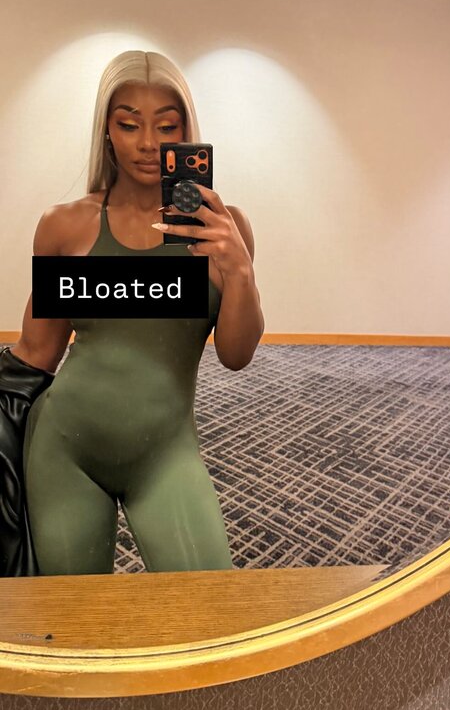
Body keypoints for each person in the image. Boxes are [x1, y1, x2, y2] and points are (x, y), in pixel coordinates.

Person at [11, 50, 264, 575]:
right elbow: (37, 351)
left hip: (165, 453)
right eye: (129, 125)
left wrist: (239, 270)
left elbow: (236, 355)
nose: (149, 143)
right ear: (107, 130)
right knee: (75, 617)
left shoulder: (223, 229)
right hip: (65, 449)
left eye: (166, 126)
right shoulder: (66, 227)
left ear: (186, 132)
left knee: (209, 608)